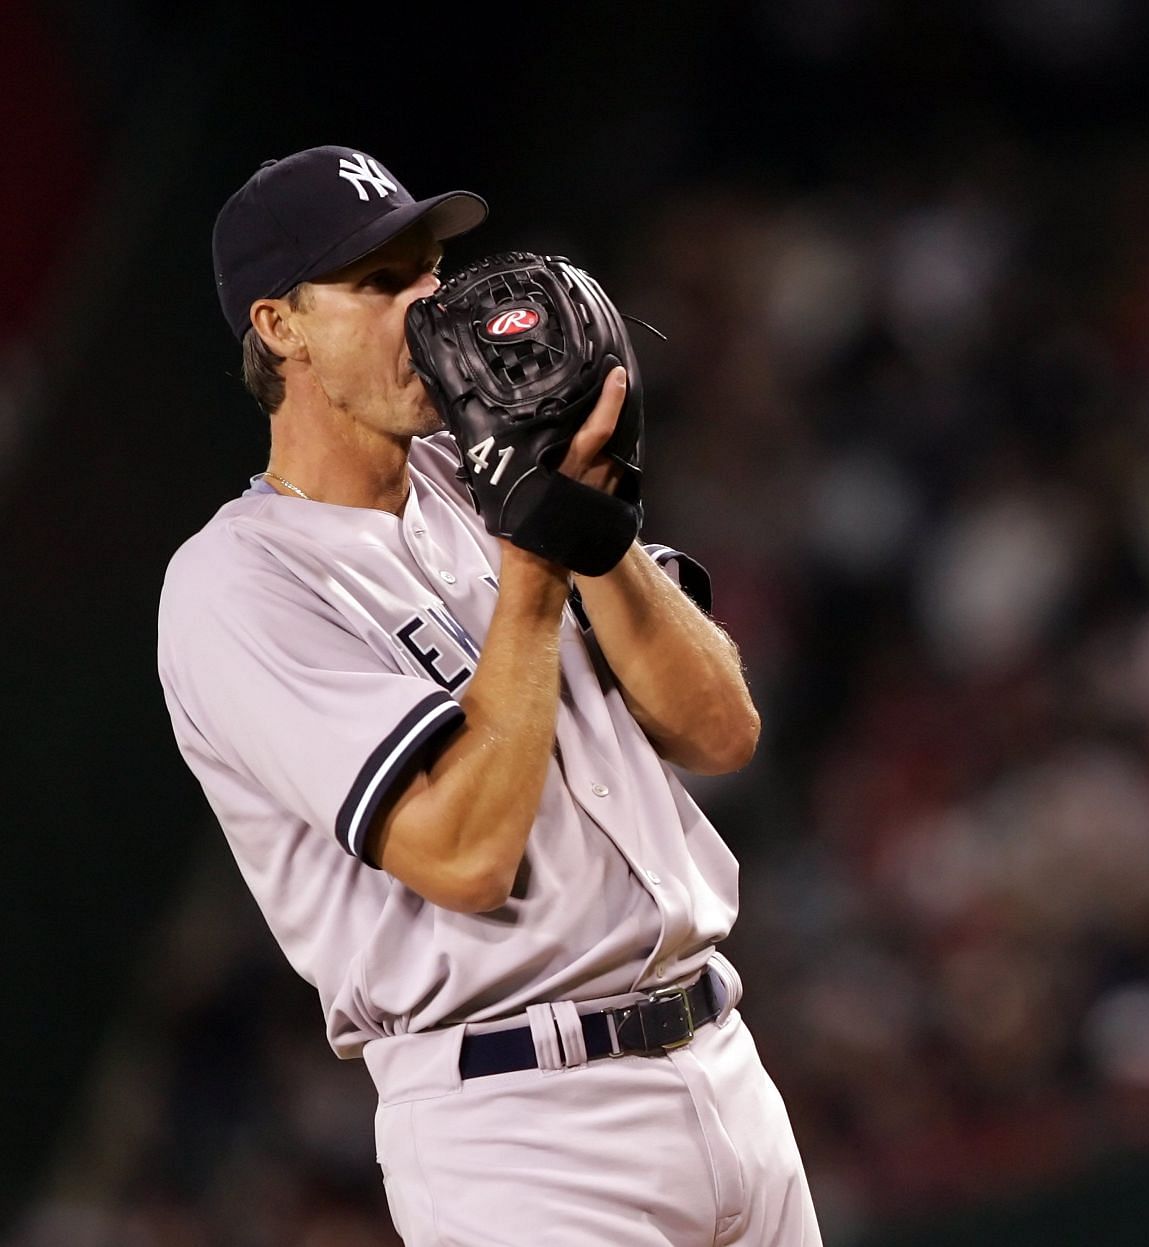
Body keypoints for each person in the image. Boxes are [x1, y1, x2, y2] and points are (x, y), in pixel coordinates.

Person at [157, 145, 822, 1246]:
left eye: (429, 270)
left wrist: (594, 526)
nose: (428, 306)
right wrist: (532, 562)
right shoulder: (239, 581)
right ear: (280, 327)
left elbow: (720, 729)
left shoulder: (484, 476)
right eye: (378, 284)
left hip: (723, 1061)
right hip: (523, 1126)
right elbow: (463, 854)